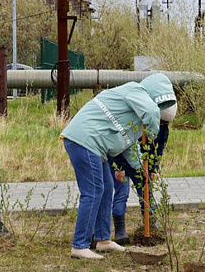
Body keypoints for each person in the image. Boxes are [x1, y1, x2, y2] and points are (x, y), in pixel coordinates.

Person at [61, 73, 177, 260]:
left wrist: (141, 170)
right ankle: (80, 245)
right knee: (93, 191)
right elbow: (152, 113)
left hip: (96, 147)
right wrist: (152, 134)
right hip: (85, 141)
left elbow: (129, 148)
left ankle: (102, 240)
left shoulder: (133, 116)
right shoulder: (136, 91)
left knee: (107, 189)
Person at [108, 104, 176, 245]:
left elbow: (158, 149)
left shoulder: (163, 128)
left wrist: (153, 169)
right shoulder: (136, 122)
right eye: (161, 121)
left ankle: (151, 227)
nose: (162, 125)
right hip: (123, 160)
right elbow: (120, 143)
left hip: (142, 165)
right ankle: (120, 232)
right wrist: (119, 167)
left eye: (165, 123)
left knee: (146, 192)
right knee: (122, 193)